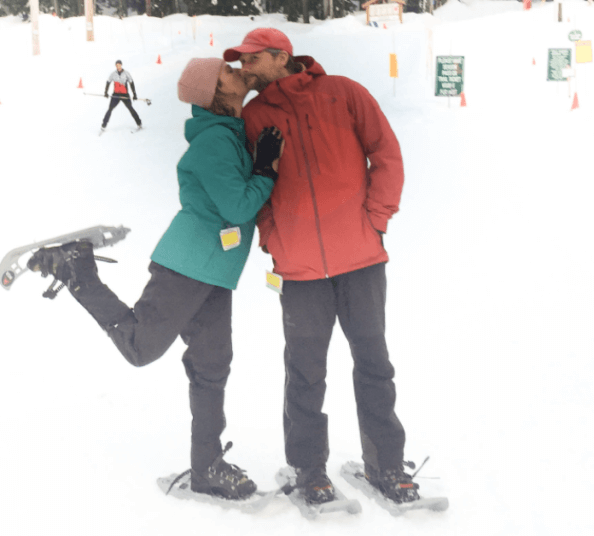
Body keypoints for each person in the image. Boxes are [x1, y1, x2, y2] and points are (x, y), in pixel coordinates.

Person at [27, 58, 285, 501]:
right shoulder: (213, 143)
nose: (237, 70)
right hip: (188, 264)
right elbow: (238, 207)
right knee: (140, 347)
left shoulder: (228, 134)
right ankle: (76, 270)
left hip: (215, 271)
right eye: (226, 72)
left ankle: (207, 468)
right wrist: (264, 170)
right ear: (214, 92)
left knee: (211, 367)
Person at [223, 28, 419, 505]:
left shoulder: (344, 93)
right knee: (306, 373)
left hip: (361, 260)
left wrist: (376, 219)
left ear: (279, 56)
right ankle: (310, 471)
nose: (244, 68)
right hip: (300, 269)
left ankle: (387, 466)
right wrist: (274, 238)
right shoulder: (252, 116)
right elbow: (255, 183)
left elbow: (386, 155)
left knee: (375, 364)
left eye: (251, 59)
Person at [101, 60, 142, 133]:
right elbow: (108, 82)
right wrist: (106, 92)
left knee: (130, 108)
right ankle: (103, 125)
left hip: (124, 95)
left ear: (121, 65)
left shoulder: (126, 73)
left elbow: (131, 83)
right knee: (110, 109)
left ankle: (139, 123)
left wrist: (134, 94)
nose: (118, 66)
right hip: (116, 95)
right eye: (116, 65)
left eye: (119, 65)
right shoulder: (113, 74)